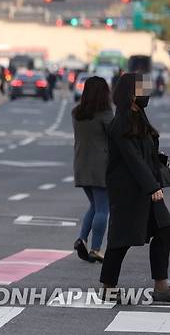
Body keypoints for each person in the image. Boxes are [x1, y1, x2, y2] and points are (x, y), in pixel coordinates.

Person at [100, 73, 170, 302]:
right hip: (129, 192)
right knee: (121, 240)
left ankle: (161, 286)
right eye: (142, 90)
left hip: (148, 188)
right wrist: (152, 187)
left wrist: (160, 163)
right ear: (130, 93)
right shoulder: (120, 123)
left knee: (164, 232)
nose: (146, 94)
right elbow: (132, 159)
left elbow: (145, 153)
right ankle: (108, 287)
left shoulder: (140, 116)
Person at [72, 76, 113, 263]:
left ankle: (82, 239)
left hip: (81, 166)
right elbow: (115, 139)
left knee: (95, 206)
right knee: (103, 208)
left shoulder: (76, 113)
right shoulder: (105, 115)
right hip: (101, 167)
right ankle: (96, 248)